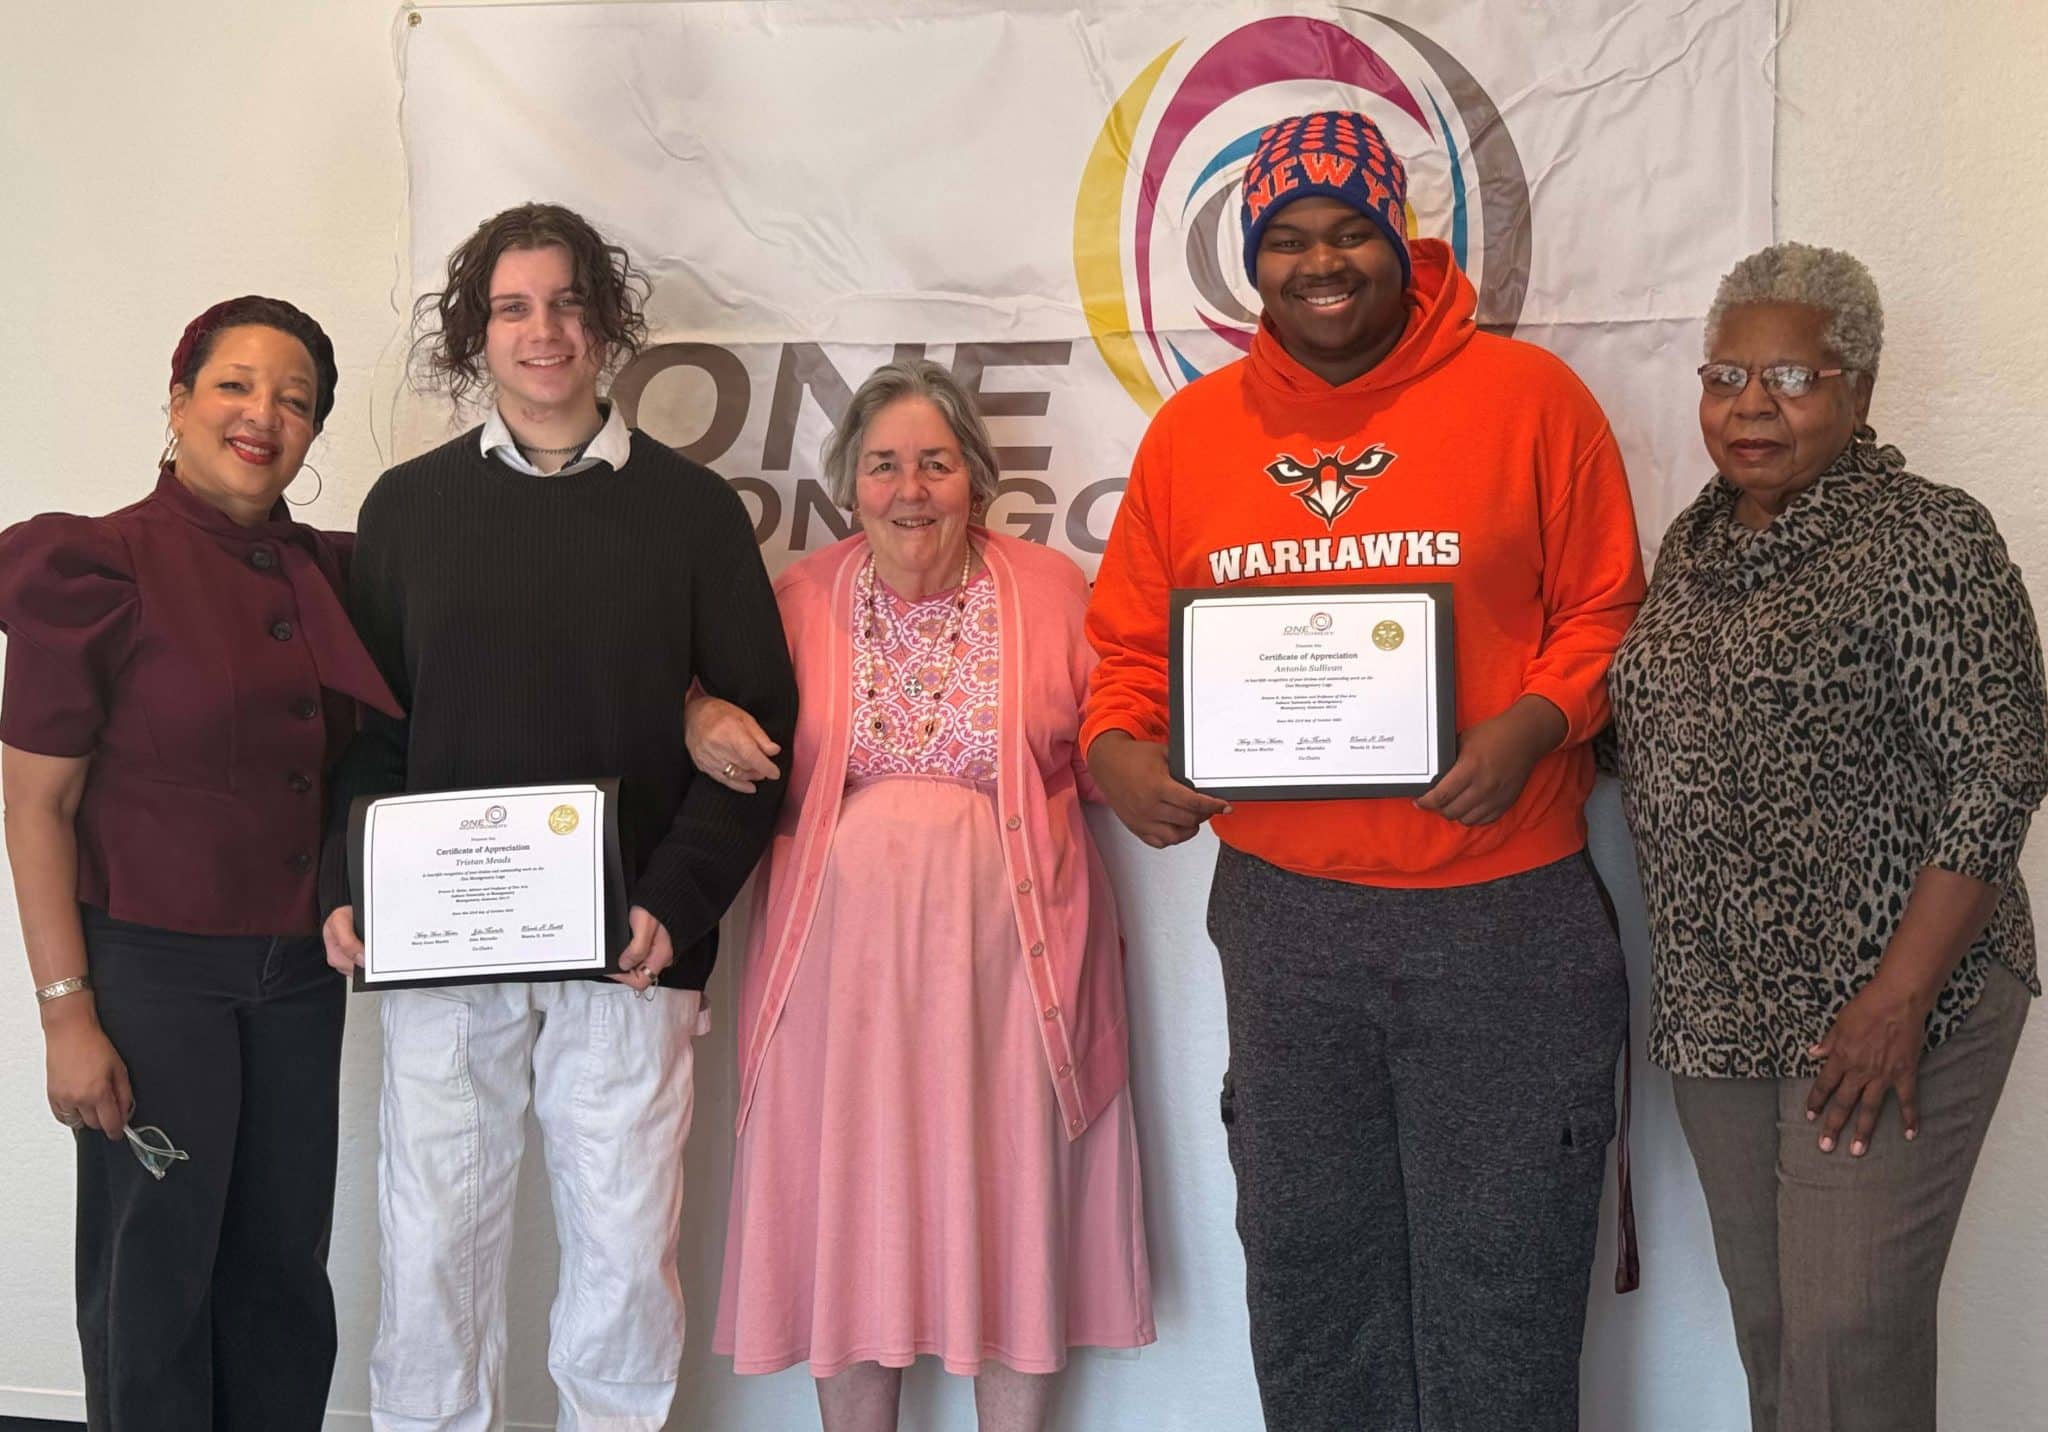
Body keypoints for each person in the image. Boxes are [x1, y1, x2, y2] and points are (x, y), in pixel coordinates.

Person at [1082, 110, 1646, 1430]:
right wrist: (1117, 752)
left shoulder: (1532, 403)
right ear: (1251, 261)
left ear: (1402, 241)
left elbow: (1611, 612)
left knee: (1505, 1269)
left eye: (1349, 231)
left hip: (1504, 911)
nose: (1320, 262)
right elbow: (1127, 652)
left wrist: (1539, 724)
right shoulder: (1193, 436)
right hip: (1290, 918)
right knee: (1310, 1265)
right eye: (1287, 239)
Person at [317, 202, 797, 1432]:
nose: (544, 332)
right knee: (429, 1254)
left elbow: (758, 740)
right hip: (443, 955)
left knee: (624, 1259)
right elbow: (365, 734)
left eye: (567, 303)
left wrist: (673, 903)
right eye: (514, 307)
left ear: (608, 322)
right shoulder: (406, 510)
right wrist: (350, 882)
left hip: (629, 951)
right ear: (478, 331)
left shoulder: (692, 514)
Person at [1606, 241, 2047, 1431]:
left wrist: (1894, 998)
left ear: (1857, 392)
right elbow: (1657, 740)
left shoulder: (1924, 537)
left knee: (1849, 1329)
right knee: (1777, 1329)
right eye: (1724, 375)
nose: (1750, 405)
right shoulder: (1690, 553)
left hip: (1895, 998)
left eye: (1791, 378)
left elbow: (2000, 766)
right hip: (1721, 1008)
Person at [685, 359, 1152, 1432]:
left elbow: (1105, 750)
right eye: (885, 465)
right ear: (850, 486)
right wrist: (688, 714)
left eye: (934, 463)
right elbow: (712, 721)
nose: (910, 489)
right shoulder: (798, 598)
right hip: (835, 984)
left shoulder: (1048, 588)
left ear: (974, 480)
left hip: (1011, 974)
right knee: (855, 1210)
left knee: (1015, 1198)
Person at [0, 297, 399, 1429]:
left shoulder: (336, 572)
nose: (262, 414)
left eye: (294, 399)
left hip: (297, 978)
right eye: (235, 384)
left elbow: (498, 641)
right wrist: (67, 1015)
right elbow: (36, 805)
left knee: (282, 1269)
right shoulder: (94, 566)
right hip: (148, 981)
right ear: (178, 400)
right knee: (155, 1271)